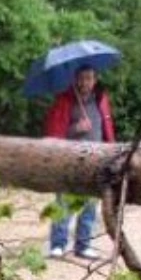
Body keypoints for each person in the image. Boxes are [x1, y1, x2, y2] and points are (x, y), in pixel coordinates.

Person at [42, 65, 116, 260]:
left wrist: (111, 154)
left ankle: (83, 245)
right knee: (64, 202)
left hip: (96, 159)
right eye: (81, 78)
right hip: (69, 159)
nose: (85, 82)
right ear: (75, 79)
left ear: (95, 79)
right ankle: (58, 244)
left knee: (90, 205)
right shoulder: (65, 100)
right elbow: (54, 133)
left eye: (89, 78)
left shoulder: (101, 100)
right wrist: (76, 128)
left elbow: (106, 130)